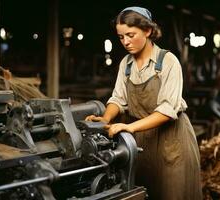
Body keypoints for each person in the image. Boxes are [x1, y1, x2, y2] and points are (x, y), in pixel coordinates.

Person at [86, 6, 202, 200]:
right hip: (141, 142)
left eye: (131, 35)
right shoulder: (126, 64)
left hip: (171, 142)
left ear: (147, 31)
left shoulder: (168, 61)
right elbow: (118, 99)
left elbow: (166, 110)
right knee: (142, 192)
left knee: (172, 193)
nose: (126, 42)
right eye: (121, 37)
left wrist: (129, 127)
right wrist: (105, 119)